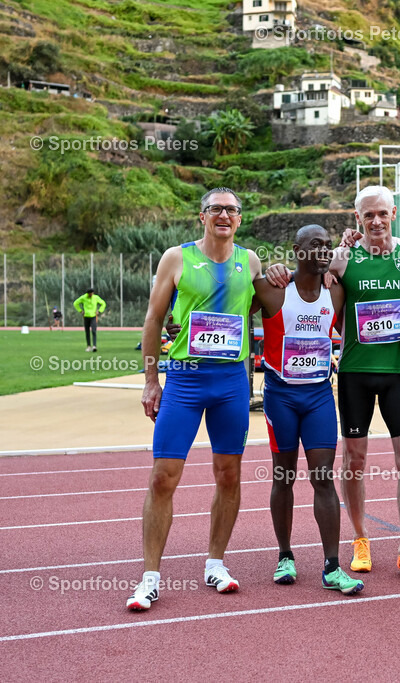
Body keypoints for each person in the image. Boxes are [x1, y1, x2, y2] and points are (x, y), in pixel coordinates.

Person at [271, 185, 400, 583]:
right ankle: (359, 538)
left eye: (382, 214)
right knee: (354, 460)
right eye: (367, 215)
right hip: (354, 372)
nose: (375, 221)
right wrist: (281, 270)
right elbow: (304, 273)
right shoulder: (341, 258)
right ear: (357, 219)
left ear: (393, 213)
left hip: (398, 374)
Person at [128, 188, 262, 611]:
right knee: (163, 476)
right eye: (216, 209)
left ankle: (215, 562)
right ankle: (150, 577)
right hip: (184, 379)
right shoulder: (176, 257)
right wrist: (152, 380)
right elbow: (152, 318)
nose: (224, 215)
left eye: (232, 210)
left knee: (229, 476)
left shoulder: (250, 260)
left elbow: (260, 310)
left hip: (231, 381)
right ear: (201, 216)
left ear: (239, 218)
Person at [259, 225, 363, 595]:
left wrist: (348, 244)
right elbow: (230, 310)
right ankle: (285, 555)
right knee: (283, 477)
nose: (322, 251)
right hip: (280, 397)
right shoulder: (271, 289)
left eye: (326, 245)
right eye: (314, 245)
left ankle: (332, 567)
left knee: (323, 478)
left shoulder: (335, 292)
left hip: (319, 395)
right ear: (296, 249)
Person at [73, 287, 106, 352]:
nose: (91, 295)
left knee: (94, 331)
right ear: (87, 293)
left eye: (91, 293)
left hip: (93, 316)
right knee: (87, 332)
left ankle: (94, 346)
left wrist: (99, 311)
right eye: (89, 294)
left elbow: (103, 303)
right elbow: (75, 303)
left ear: (93, 293)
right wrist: (80, 311)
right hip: (86, 316)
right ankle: (88, 346)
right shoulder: (83, 297)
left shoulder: (96, 297)